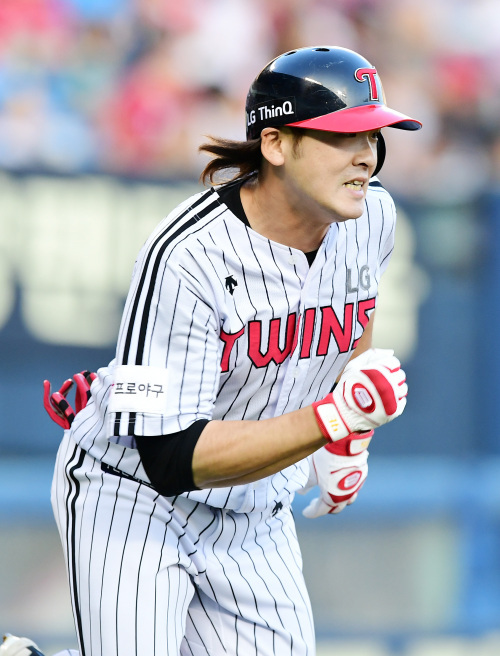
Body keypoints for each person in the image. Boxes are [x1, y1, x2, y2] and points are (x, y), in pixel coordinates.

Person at [2, 45, 420, 656]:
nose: (366, 155)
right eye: (342, 137)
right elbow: (171, 457)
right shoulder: (187, 254)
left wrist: (345, 441)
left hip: (255, 510)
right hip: (135, 496)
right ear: (275, 144)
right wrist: (332, 420)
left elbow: (356, 307)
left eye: (373, 135)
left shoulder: (373, 215)